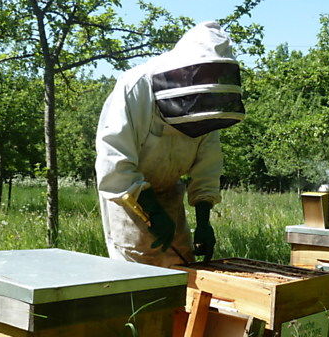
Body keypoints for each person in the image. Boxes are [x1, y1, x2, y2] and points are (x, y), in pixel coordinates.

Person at [95, 20, 245, 267]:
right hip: (129, 196)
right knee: (136, 272)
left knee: (180, 264)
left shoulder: (207, 101)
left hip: (169, 192)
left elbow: (207, 166)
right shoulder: (136, 86)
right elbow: (114, 163)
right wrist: (152, 213)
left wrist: (204, 223)